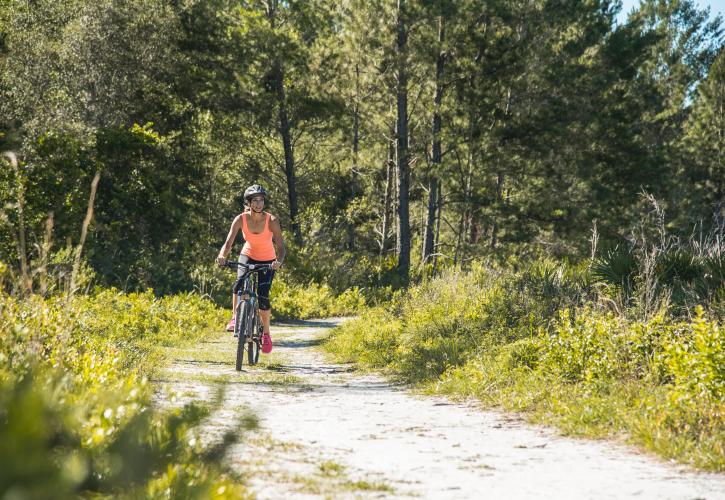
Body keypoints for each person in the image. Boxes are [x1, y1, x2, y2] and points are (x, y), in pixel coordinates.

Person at [216, 184, 285, 353]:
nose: (259, 204)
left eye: (261, 200)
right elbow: (229, 242)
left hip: (268, 260)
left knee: (263, 296)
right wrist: (222, 255)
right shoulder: (240, 219)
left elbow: (281, 246)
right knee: (239, 284)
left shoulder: (272, 220)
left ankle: (266, 334)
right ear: (248, 202)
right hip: (247, 255)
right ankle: (235, 318)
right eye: (255, 200)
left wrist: (278, 261)